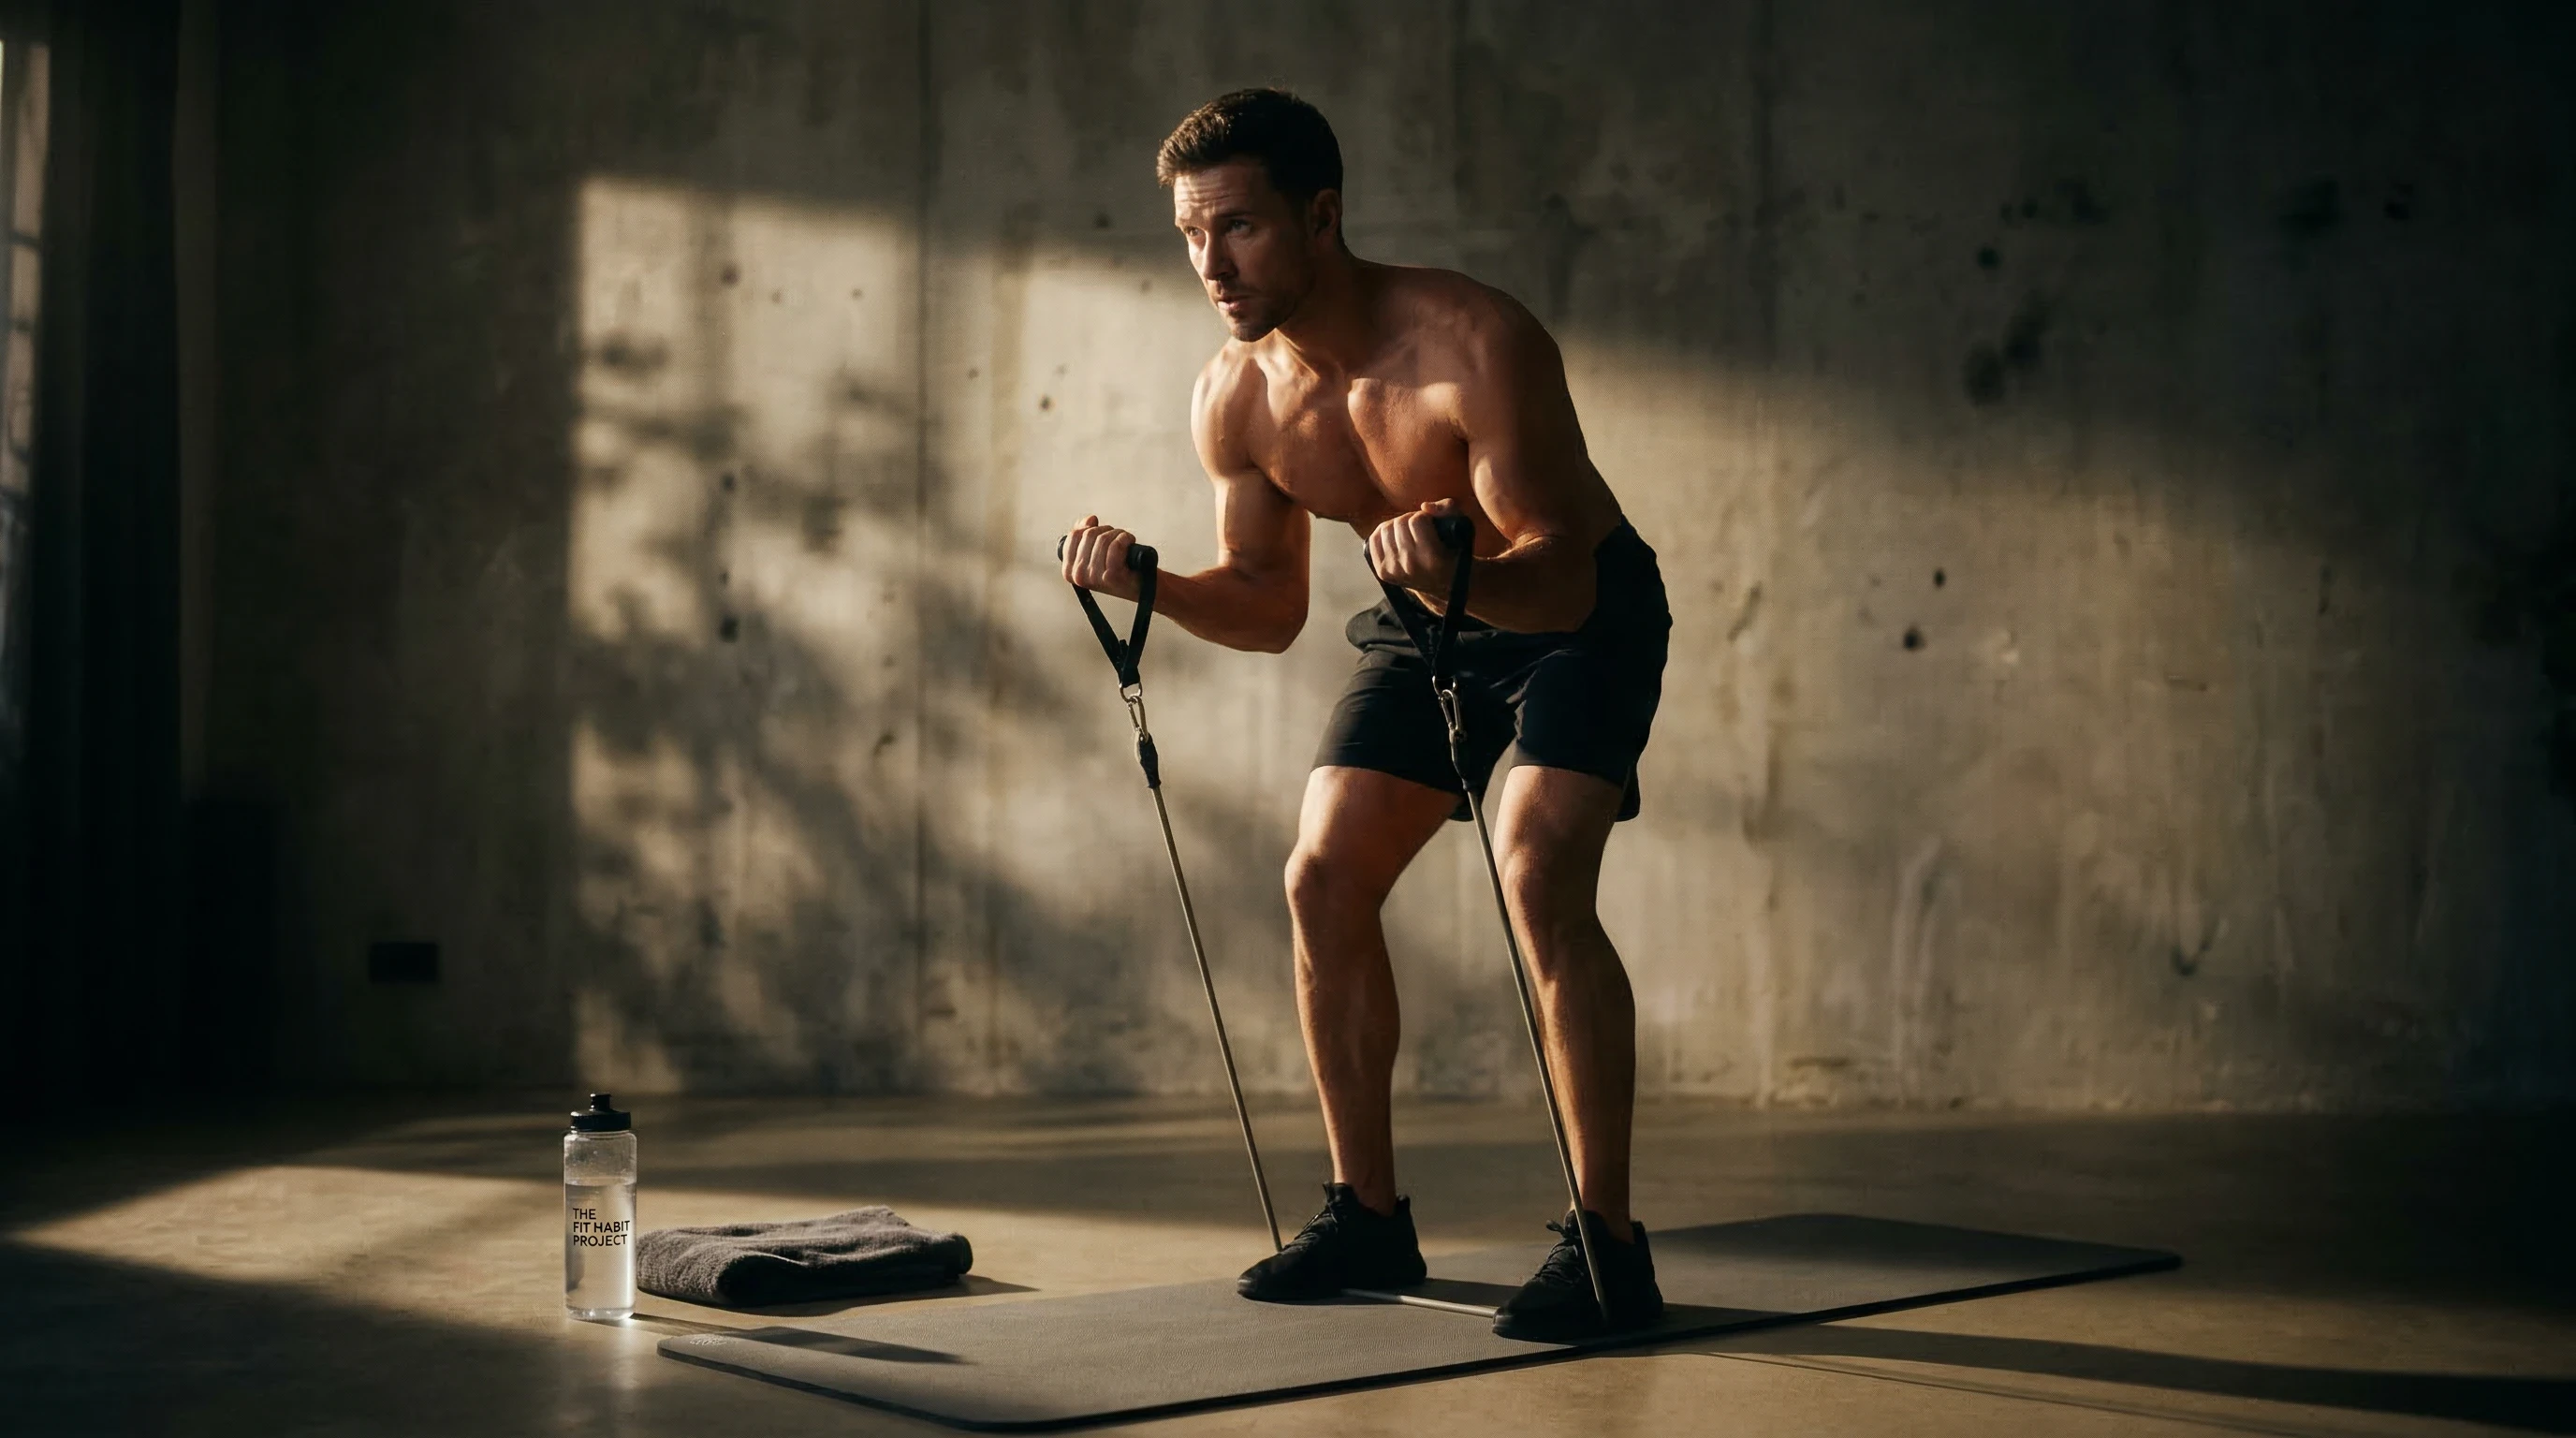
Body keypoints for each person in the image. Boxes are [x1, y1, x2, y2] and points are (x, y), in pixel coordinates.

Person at [1061, 88, 1672, 1341]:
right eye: (1190, 235)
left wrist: (1463, 576)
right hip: (1421, 609)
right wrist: (1152, 583)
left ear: (1321, 216)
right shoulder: (1237, 397)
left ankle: (1609, 1245)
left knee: (1537, 869)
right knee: (1321, 877)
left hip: (1574, 612)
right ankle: (1369, 1213)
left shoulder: (1472, 342)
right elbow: (1268, 605)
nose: (1211, 264)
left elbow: (1561, 572)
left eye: (1238, 228)